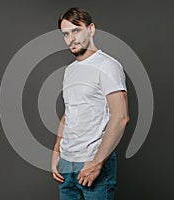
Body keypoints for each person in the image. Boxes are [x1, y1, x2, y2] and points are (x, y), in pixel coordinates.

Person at [51, 7, 129, 200]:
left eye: (76, 30)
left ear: (91, 29)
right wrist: (56, 152)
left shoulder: (107, 66)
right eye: (66, 34)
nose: (71, 38)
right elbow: (69, 113)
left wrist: (96, 163)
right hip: (67, 164)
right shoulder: (70, 71)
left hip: (92, 162)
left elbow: (120, 117)